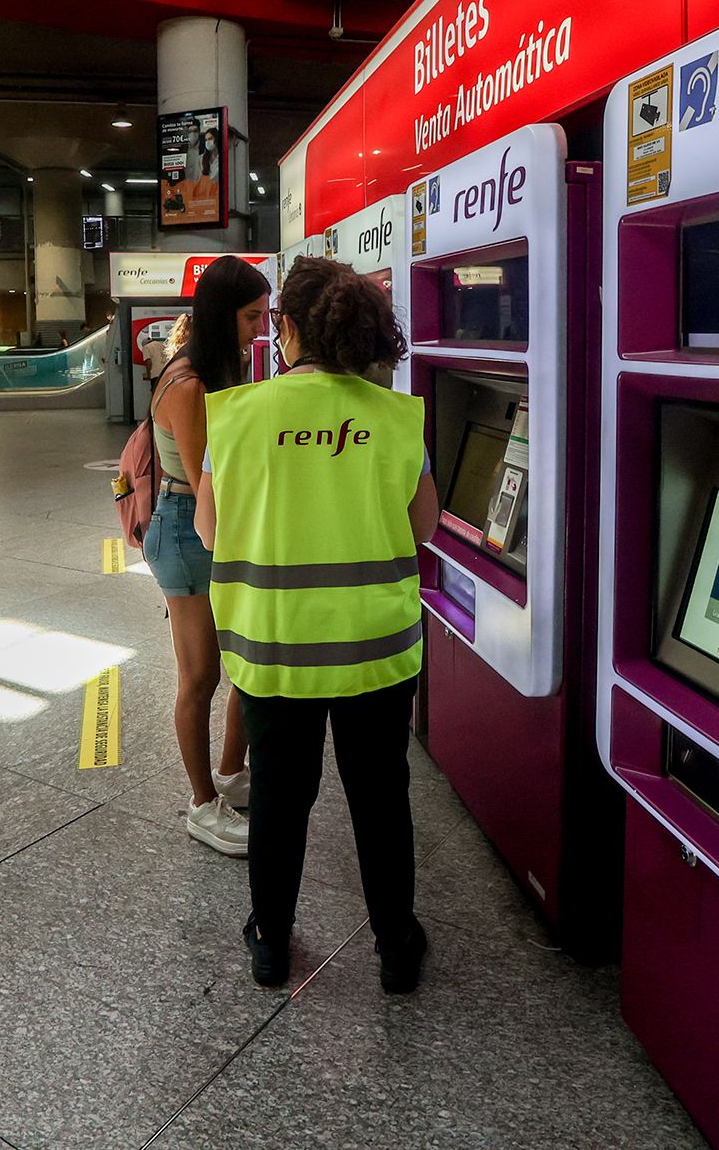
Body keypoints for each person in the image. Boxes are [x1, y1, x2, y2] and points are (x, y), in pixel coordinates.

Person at [195, 255, 438, 993]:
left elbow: (209, 530)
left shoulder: (237, 416)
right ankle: (396, 943)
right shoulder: (395, 417)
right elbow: (422, 526)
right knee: (379, 793)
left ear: (288, 328)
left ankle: (270, 939)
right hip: (375, 647)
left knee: (278, 793)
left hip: (276, 646)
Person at [148, 255, 270, 859]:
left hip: (207, 529)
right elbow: (207, 488)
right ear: (224, 314)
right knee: (201, 676)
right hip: (185, 532)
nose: (260, 326)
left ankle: (231, 773)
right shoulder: (191, 383)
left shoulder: (223, 366)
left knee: (242, 663)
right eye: (252, 315)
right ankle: (202, 804)